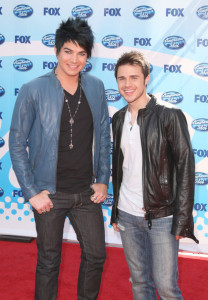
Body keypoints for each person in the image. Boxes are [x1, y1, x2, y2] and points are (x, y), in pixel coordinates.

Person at [9, 17, 110, 300]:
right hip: (48, 194)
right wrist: (31, 193)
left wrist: (102, 180)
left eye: (81, 53)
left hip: (85, 194)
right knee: (49, 263)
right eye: (68, 51)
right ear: (56, 51)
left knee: (96, 257)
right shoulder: (33, 89)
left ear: (88, 56)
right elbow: (17, 143)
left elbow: (103, 136)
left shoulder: (96, 87)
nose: (74, 59)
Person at [111, 51, 199, 300]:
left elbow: (185, 168)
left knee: (167, 288)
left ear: (146, 79)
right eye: (121, 79)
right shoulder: (118, 119)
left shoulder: (169, 115)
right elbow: (119, 169)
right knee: (139, 283)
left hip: (162, 216)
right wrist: (116, 211)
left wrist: (182, 218)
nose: (127, 85)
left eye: (134, 77)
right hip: (128, 214)